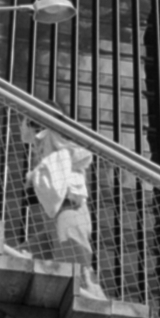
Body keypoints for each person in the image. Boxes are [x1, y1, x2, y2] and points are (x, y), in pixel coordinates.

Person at [20, 117, 104, 297]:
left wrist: (35, 174)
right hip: (57, 217)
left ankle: (99, 305)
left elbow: (83, 154)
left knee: (81, 274)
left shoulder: (54, 137)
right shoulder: (47, 145)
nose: (37, 150)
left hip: (69, 211)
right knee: (21, 256)